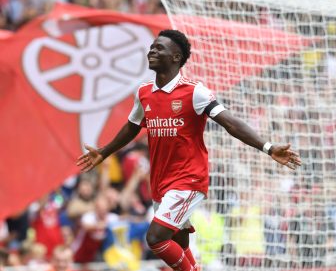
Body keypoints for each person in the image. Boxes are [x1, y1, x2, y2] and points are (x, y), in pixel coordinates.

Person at [77, 29, 302, 271]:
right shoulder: (144, 93)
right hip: (160, 182)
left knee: (155, 238)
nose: (152, 51)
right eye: (152, 46)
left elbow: (230, 122)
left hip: (188, 179)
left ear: (176, 57)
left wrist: (268, 147)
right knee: (178, 243)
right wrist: (104, 151)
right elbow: (132, 127)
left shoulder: (194, 92)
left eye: (159, 48)